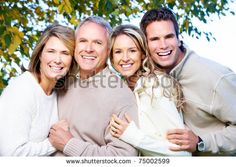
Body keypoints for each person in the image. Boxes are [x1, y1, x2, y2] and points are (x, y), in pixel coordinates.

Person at [140, 7, 236, 156]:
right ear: (146, 44)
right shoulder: (153, 79)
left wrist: (201, 142)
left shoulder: (215, 77)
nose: (163, 45)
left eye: (169, 36)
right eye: (154, 39)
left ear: (178, 39)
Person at [48, 16, 139, 156]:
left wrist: (69, 144)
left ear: (108, 49)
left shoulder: (121, 95)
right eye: (83, 41)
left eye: (97, 42)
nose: (88, 49)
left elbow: (123, 157)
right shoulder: (61, 82)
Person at [109, 24, 190, 156]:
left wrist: (132, 135)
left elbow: (182, 154)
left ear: (142, 54)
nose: (125, 58)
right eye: (118, 52)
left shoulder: (154, 86)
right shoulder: (126, 89)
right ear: (112, 58)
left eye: (132, 50)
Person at [0, 24, 75, 156]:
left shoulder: (56, 92)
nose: (57, 60)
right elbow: (10, 154)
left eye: (65, 53)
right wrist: (52, 143)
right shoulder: (22, 90)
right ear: (40, 54)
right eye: (51, 51)